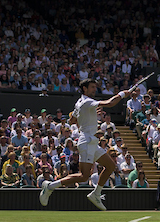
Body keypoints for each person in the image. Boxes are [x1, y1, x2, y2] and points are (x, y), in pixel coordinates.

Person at [39, 78, 137, 210]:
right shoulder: (87, 101)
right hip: (87, 142)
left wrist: (87, 116)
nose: (94, 89)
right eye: (92, 87)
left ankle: (96, 193)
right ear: (84, 89)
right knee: (84, 176)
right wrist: (123, 94)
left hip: (91, 142)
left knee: (110, 166)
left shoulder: (80, 102)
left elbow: (72, 120)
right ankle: (50, 186)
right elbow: (109, 103)